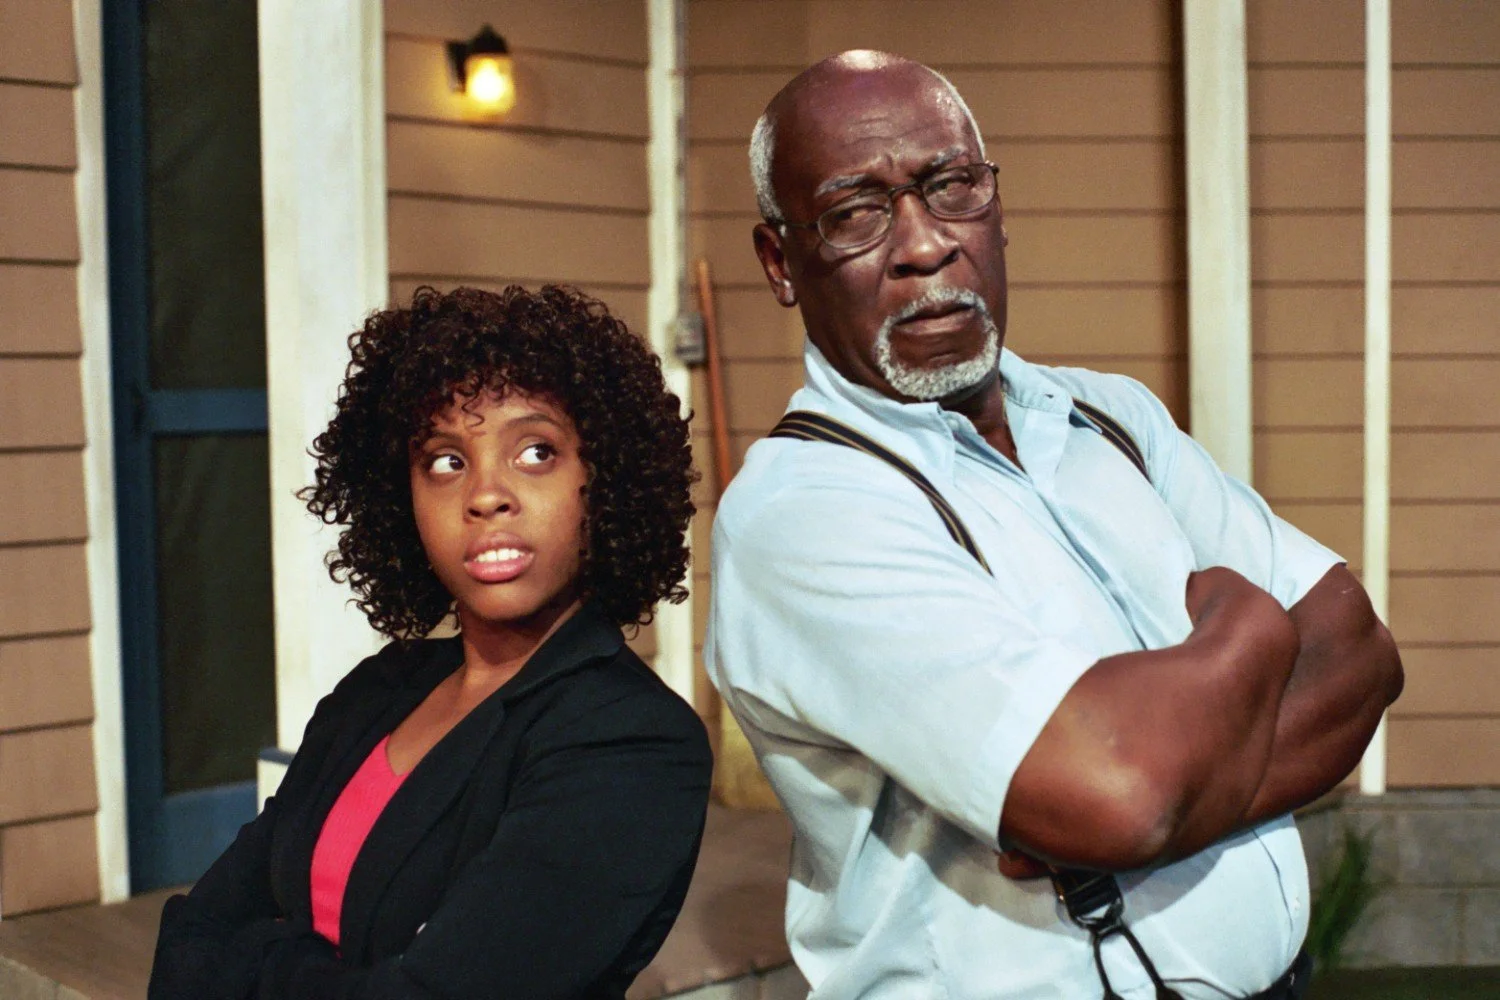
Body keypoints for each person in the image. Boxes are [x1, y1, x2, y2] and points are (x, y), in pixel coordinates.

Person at [705, 51, 1403, 1000]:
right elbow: (1117, 792)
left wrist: (1158, 809)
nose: (922, 244)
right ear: (781, 262)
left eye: (952, 187)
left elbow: (1360, 660)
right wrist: (1251, 625)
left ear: (996, 209)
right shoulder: (806, 510)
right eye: (856, 213)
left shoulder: (1110, 418)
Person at [150, 285, 712, 999]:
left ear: (601, 484)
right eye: (446, 461)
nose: (485, 495)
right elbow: (187, 937)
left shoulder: (633, 743)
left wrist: (256, 958)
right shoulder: (380, 689)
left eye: (536, 452)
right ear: (401, 497)